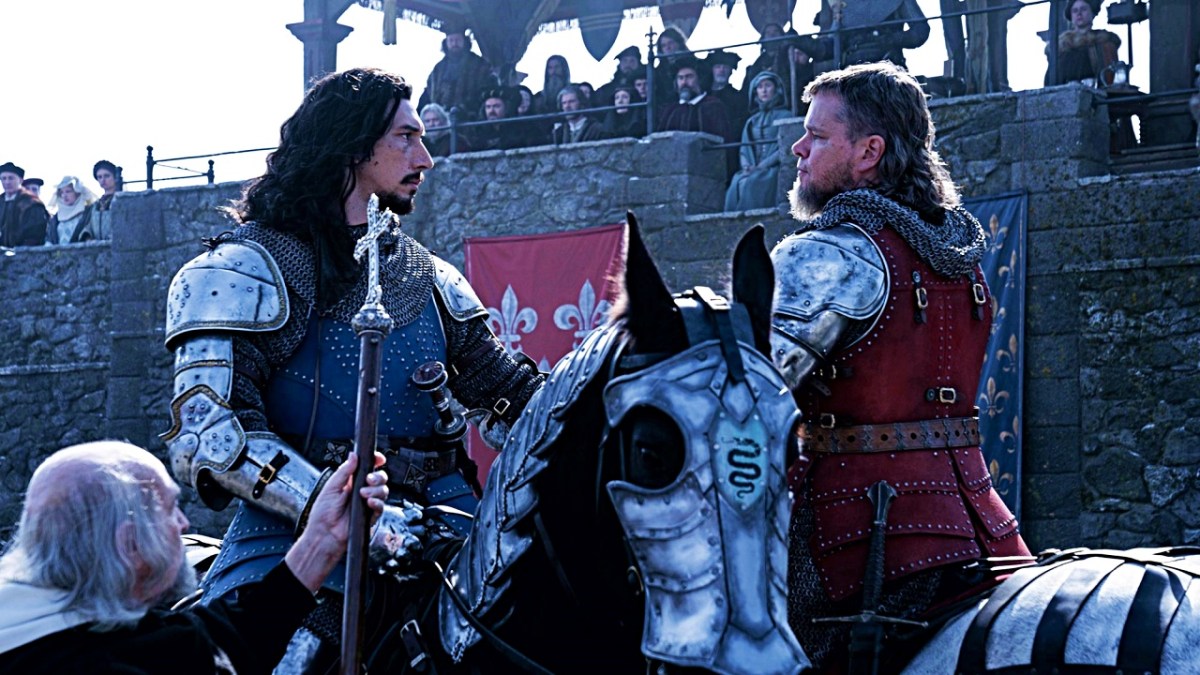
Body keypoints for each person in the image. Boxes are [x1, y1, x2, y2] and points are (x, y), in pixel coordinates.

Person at [161, 67, 543, 659]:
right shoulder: (241, 272)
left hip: (452, 528)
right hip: (297, 540)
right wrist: (346, 513)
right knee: (286, 657)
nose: (425, 158)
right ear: (353, 143)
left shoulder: (429, 278)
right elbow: (209, 436)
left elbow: (509, 396)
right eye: (406, 138)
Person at [769, 62, 1030, 670]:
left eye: (817, 136)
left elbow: (746, 394)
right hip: (981, 526)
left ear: (870, 152)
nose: (798, 148)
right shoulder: (958, 258)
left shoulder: (829, 253)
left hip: (853, 540)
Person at [0, 441, 394, 674]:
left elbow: (228, 635)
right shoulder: (97, 664)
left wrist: (323, 539)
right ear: (130, 544)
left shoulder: (70, 626)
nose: (184, 524)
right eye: (170, 509)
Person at [724, 71, 790, 212]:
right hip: (753, 167)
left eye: (768, 85)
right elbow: (744, 148)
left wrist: (762, 166)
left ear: (776, 89)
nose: (764, 90)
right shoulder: (752, 121)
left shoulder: (786, 116)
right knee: (737, 181)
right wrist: (747, 166)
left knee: (754, 182)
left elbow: (785, 147)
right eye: (760, 87)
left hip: (772, 168)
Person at [417, 26, 497, 120]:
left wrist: (464, 109)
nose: (454, 44)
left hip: (472, 118)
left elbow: (487, 92)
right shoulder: (438, 69)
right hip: (442, 120)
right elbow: (428, 93)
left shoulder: (480, 64)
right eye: (451, 40)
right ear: (446, 43)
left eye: (457, 40)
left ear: (465, 41)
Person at [656, 55, 733, 144]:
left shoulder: (713, 106)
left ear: (699, 79)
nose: (684, 82)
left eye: (689, 77)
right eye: (680, 78)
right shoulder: (671, 111)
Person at [1044, 0, 1120, 86]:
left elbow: (1109, 74)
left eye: (1083, 9)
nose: (1079, 13)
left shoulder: (1103, 42)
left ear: (1092, 13)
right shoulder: (1060, 47)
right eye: (1075, 11)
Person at [0, 161, 49, 248]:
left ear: (20, 180)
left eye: (11, 178)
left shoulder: (31, 202)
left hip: (25, 253)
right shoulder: (1, 201)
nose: (7, 182)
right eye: (3, 178)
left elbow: (35, 235)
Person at [46, 175, 101, 244]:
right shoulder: (56, 218)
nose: (64, 195)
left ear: (77, 193)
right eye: (62, 192)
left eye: (68, 191)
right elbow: (50, 239)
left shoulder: (87, 214)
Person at [706, 49, 748, 136]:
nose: (721, 70)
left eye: (725, 67)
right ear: (712, 70)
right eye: (718, 67)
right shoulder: (703, 95)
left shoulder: (737, 97)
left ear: (730, 71)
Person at [594, 45, 643, 109]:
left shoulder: (642, 85)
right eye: (625, 61)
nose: (628, 64)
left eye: (632, 61)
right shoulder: (607, 89)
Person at [92, 159, 121, 237]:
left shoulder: (121, 201)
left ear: (115, 177)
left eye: (107, 176)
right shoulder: (96, 205)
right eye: (99, 177)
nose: (103, 180)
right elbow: (88, 227)